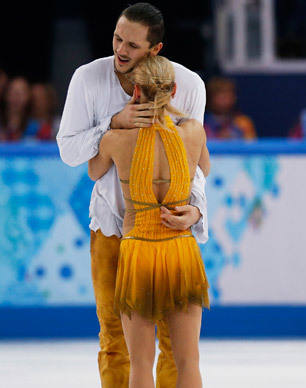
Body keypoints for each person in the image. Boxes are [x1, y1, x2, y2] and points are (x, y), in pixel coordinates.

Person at [57, 3, 208, 387]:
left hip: (151, 235)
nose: (120, 51)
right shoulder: (88, 79)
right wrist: (113, 121)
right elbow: (68, 150)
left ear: (154, 50)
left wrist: (195, 210)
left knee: (165, 350)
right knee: (116, 340)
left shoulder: (192, 85)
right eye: (117, 38)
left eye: (132, 45)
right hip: (114, 230)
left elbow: (195, 177)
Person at [88, 55, 210, 388]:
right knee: (188, 360)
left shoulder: (117, 140)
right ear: (173, 90)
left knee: (140, 364)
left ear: (136, 91)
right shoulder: (194, 132)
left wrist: (115, 123)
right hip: (180, 250)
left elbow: (93, 171)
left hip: (138, 251)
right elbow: (204, 170)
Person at [0, 76, 32, 142]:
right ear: (6, 95)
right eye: (12, 92)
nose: (16, 97)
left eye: (21, 93)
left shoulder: (38, 128)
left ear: (29, 96)